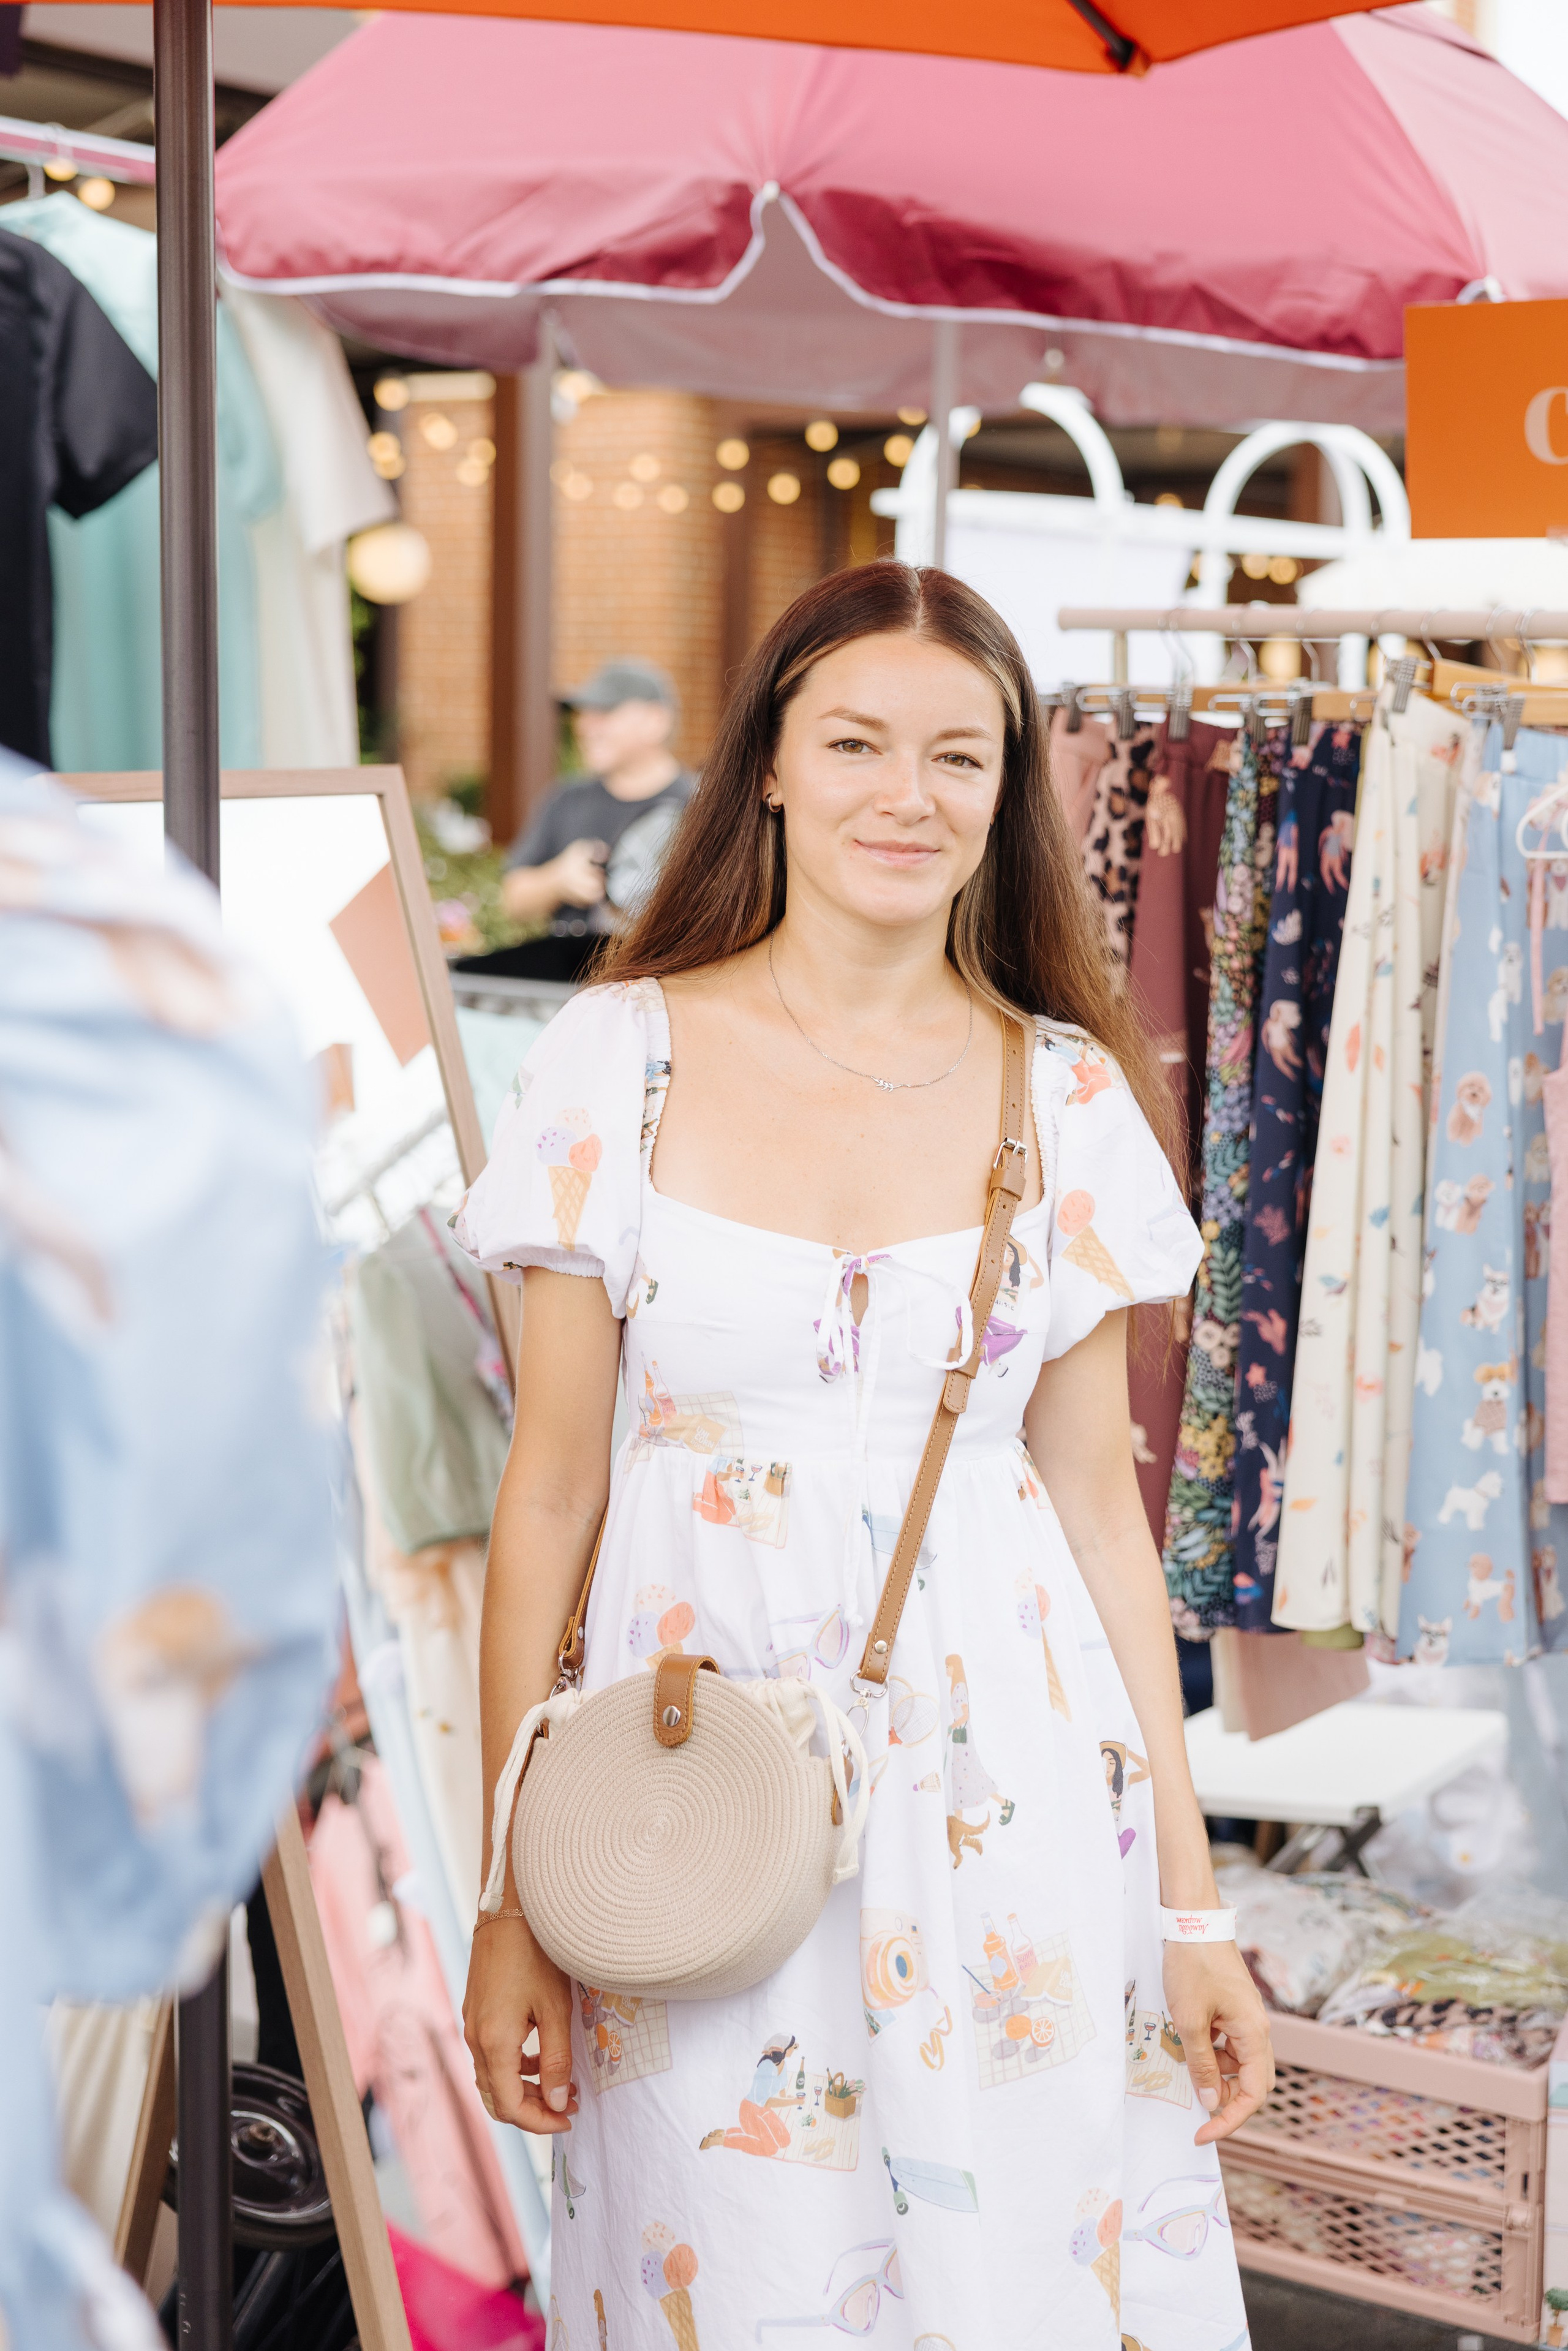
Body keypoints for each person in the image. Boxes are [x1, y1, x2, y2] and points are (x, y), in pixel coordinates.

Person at [456, 565, 1270, 2348]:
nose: (905, 795)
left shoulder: (1059, 1090)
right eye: (853, 743)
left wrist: (1191, 1903)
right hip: (691, 1807)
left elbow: (1094, 1519)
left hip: (1012, 1801)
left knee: (1020, 2277)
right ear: (765, 766)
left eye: (957, 757)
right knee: (724, 2275)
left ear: (1006, 793)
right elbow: (551, 1497)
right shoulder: (618, 1057)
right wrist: (509, 1893)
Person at [494, 658, 695, 979]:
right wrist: (558, 879)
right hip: (571, 993)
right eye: (584, 715)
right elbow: (512, 899)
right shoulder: (566, 799)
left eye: (605, 713)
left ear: (656, 721)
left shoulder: (702, 806)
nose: (586, 727)